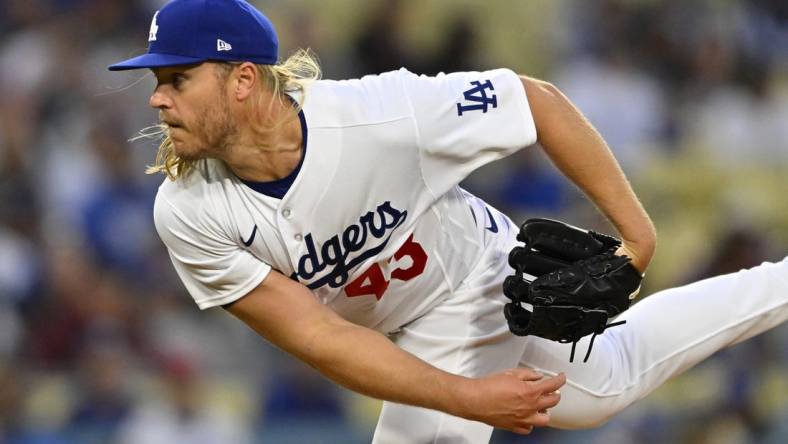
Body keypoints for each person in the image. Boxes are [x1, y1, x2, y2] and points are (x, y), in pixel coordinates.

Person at [108, 1, 788, 442]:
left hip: (480, 279)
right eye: (158, 82)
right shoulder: (189, 210)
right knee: (602, 385)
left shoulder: (380, 113)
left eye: (176, 79)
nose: (158, 100)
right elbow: (317, 336)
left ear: (244, 79)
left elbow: (536, 101)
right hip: (404, 329)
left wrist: (639, 239)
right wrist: (471, 397)